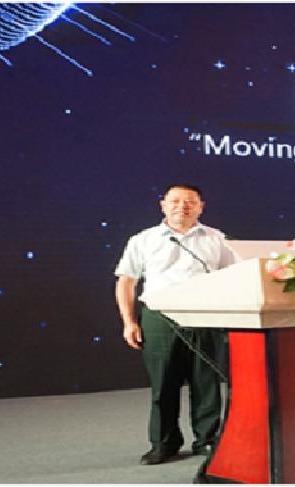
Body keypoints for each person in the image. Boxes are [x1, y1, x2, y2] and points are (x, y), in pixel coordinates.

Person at [114, 184, 238, 465]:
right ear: (163, 205)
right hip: (160, 318)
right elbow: (126, 282)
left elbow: (233, 276)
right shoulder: (143, 240)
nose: (183, 206)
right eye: (176, 201)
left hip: (205, 317)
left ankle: (207, 439)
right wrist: (129, 322)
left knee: (206, 383)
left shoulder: (216, 238)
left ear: (201, 207)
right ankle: (164, 443)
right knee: (164, 383)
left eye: (190, 201)